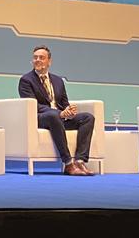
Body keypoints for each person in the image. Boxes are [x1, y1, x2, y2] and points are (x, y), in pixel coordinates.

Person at [17, 45, 95, 175]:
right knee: (53, 116)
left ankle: (80, 161)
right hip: (41, 118)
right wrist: (60, 113)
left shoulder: (58, 81)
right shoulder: (26, 80)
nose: (37, 60)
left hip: (59, 117)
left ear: (49, 61)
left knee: (87, 117)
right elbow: (33, 105)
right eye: (35, 58)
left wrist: (69, 111)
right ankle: (68, 163)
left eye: (41, 58)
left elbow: (64, 102)